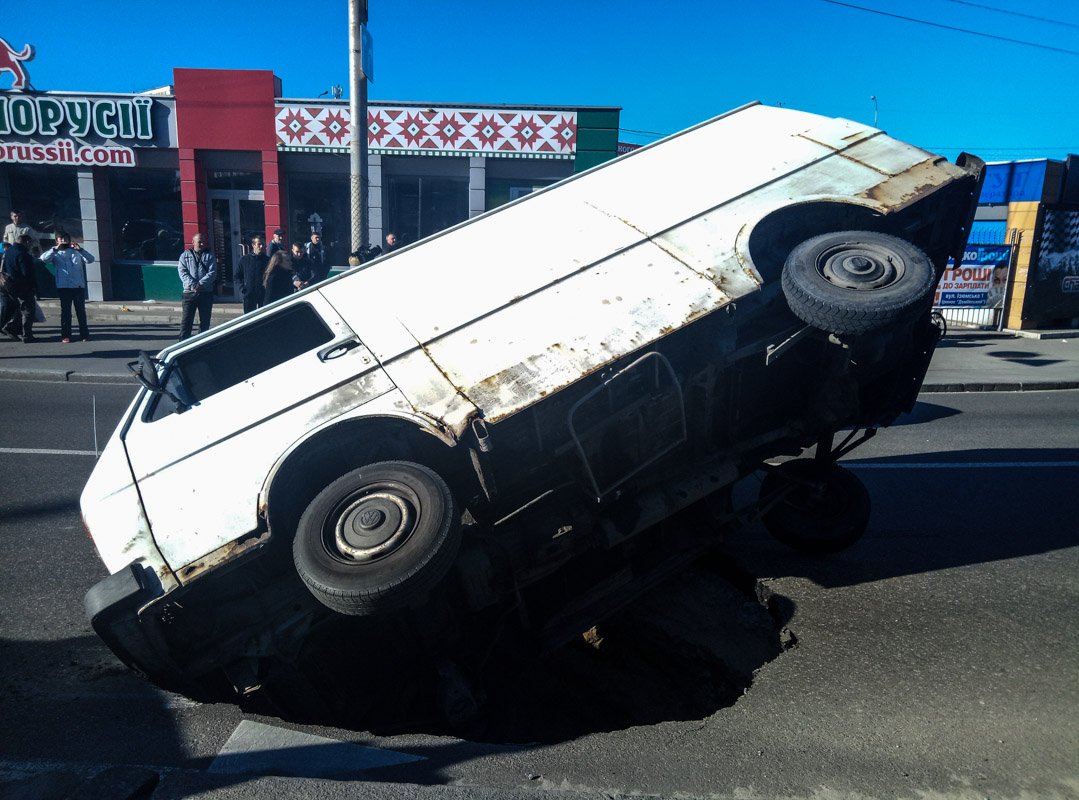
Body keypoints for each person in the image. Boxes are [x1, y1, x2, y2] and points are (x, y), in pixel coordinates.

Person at [41, 230, 94, 342]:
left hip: (78, 286)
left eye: (65, 239)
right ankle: (66, 335)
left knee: (81, 312)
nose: (64, 241)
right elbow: (43, 259)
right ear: (56, 241)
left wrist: (81, 250)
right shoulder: (55, 253)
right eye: (61, 239)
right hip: (64, 287)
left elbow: (90, 259)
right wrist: (55, 249)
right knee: (65, 312)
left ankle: (84, 334)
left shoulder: (76, 252)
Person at [177, 232, 217, 340]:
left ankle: (201, 343)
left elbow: (212, 273)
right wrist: (193, 284)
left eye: (203, 242)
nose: (202, 244)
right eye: (199, 242)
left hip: (205, 293)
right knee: (186, 320)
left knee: (205, 321)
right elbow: (182, 272)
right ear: (193, 242)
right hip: (189, 293)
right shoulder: (184, 256)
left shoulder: (210, 255)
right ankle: (183, 342)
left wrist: (200, 284)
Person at [0, 234, 38, 342]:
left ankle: (11, 327)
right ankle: (26, 335)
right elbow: (27, 273)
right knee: (28, 310)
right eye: (30, 243)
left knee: (19, 308)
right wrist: (34, 287)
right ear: (26, 242)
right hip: (22, 286)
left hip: (8, 285)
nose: (31, 246)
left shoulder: (8, 251)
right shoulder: (23, 254)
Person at [233, 235, 268, 313]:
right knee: (249, 319)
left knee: (264, 318)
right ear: (253, 245)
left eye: (263, 244)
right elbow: (237, 276)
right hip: (249, 294)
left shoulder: (267, 260)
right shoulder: (245, 259)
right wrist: (243, 288)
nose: (261, 246)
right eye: (259, 244)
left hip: (263, 294)